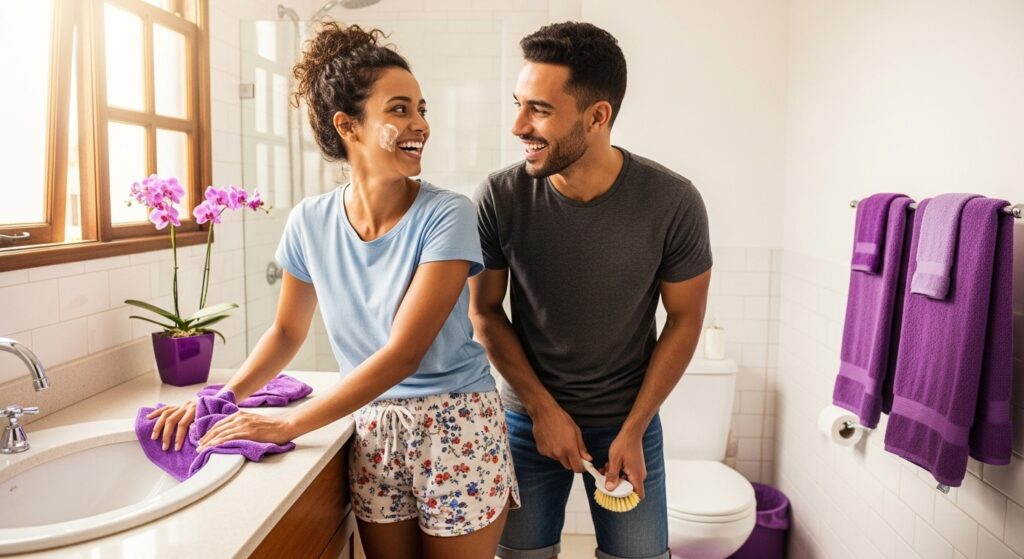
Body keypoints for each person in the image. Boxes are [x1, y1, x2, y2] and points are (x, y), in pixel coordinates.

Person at [147, 22, 518, 559]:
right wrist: (225, 397)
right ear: (348, 126)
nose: (420, 124)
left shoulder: (447, 214)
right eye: (399, 110)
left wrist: (289, 423)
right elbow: (285, 331)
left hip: (456, 425)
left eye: (421, 109)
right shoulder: (309, 221)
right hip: (371, 424)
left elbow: (404, 352)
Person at [469, 21, 712, 559]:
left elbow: (686, 319)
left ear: (597, 116)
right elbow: (483, 310)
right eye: (519, 105)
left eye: (539, 110)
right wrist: (541, 409)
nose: (518, 126)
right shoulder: (500, 196)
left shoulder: (673, 202)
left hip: (628, 422)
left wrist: (636, 427)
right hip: (526, 419)